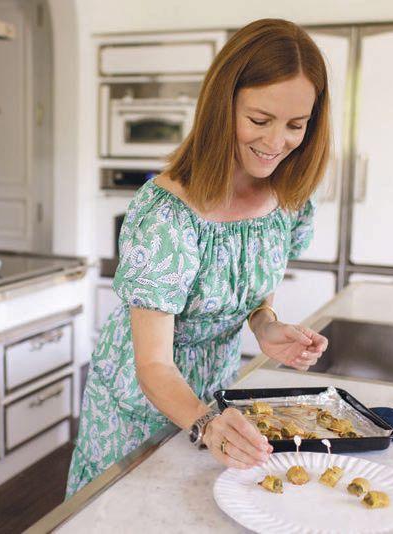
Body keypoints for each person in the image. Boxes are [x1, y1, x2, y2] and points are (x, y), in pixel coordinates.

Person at [66, 18, 331, 497]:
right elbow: (153, 366)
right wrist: (207, 424)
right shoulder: (166, 215)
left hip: (216, 399)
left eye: (296, 125)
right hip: (137, 408)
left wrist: (267, 326)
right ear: (221, 105)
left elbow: (254, 297)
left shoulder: (287, 199)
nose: (276, 143)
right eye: (259, 120)